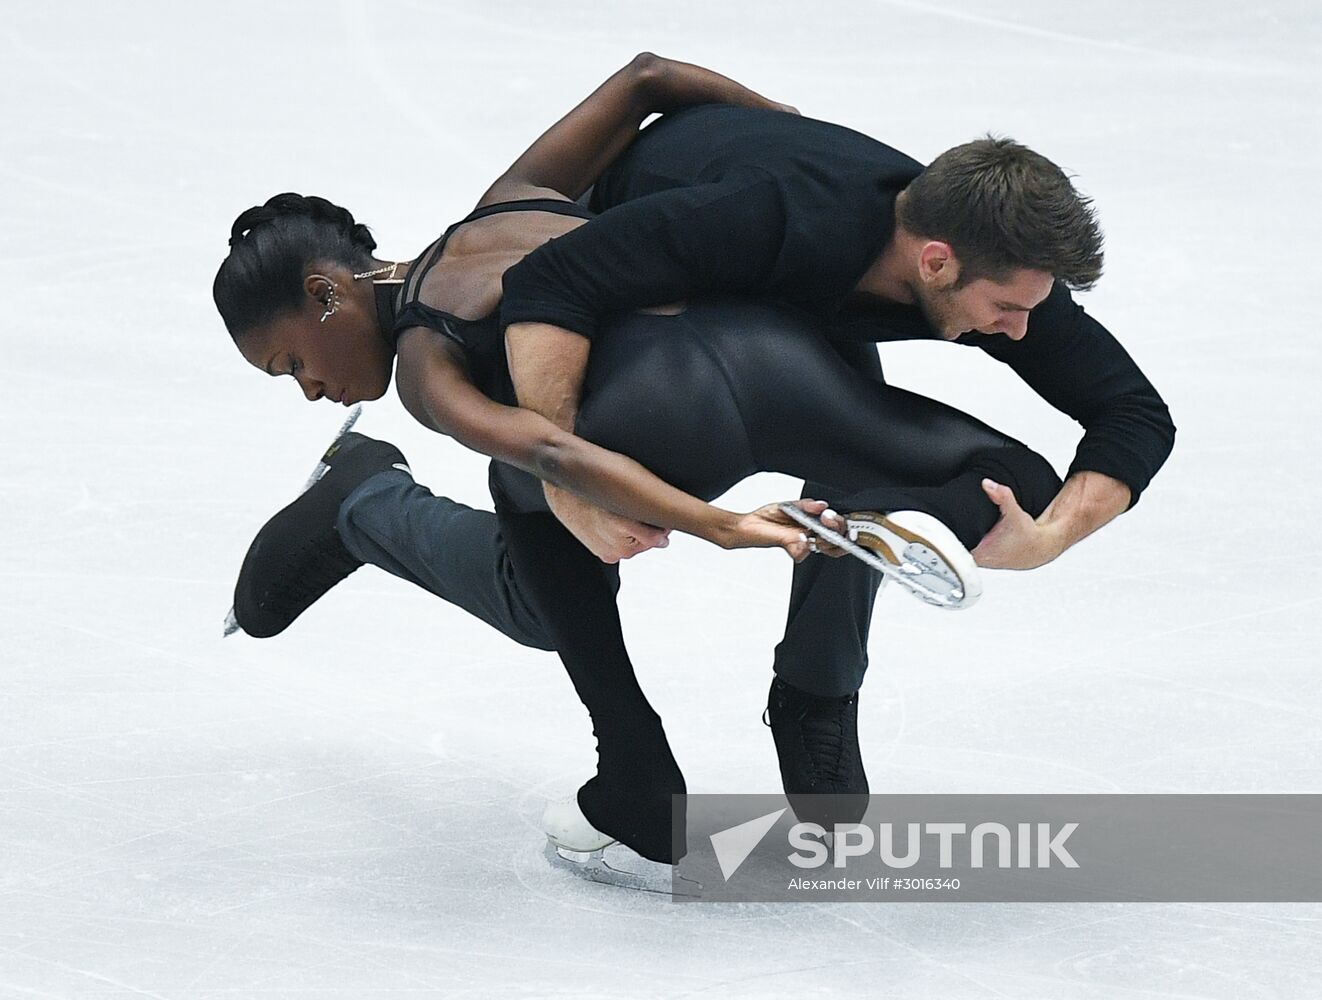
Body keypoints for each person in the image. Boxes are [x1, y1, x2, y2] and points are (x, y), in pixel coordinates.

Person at [212, 56, 1094, 862]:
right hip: (743, 377)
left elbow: (554, 444)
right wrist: (781, 124)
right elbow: (649, 79)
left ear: (326, 295)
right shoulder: (513, 197)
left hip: (690, 403)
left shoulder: (425, 361)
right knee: (545, 554)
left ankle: (664, 762)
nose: (310, 391)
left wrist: (716, 525)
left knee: (539, 516)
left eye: (291, 363)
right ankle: (366, 502)